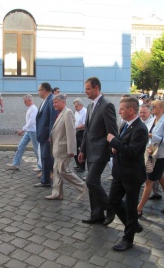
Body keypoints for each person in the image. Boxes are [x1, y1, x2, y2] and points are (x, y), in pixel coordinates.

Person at [106, 97, 148, 251]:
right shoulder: (125, 124)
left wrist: (113, 142)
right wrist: (115, 147)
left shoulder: (140, 129)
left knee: (131, 208)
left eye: (122, 109)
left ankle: (128, 239)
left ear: (131, 110)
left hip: (132, 174)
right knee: (113, 200)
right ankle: (133, 224)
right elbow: (123, 144)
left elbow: (131, 151)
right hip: (120, 171)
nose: (119, 111)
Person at [78, 77, 118, 225]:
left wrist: (113, 150)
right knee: (93, 183)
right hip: (90, 150)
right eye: (85, 88)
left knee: (91, 181)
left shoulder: (107, 105)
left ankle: (111, 208)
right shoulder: (89, 106)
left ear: (96, 88)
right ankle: (96, 214)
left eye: (88, 88)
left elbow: (112, 130)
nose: (86, 91)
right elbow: (87, 131)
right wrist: (82, 149)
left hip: (101, 151)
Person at [137, 100, 164, 216]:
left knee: (149, 180)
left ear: (162, 109)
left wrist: (152, 136)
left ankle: (139, 208)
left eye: (155, 106)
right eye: (152, 106)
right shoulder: (152, 120)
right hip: (152, 153)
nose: (152, 107)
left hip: (161, 156)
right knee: (162, 179)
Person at [45, 94, 86, 200]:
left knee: (63, 170)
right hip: (57, 149)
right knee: (56, 171)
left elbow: (71, 132)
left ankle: (82, 186)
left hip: (64, 150)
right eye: (53, 102)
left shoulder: (68, 112)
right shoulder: (60, 113)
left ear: (63, 102)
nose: (54, 104)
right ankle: (57, 193)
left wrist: (71, 150)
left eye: (56, 102)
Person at [6, 94, 40, 171]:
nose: (24, 103)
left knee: (37, 148)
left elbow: (31, 121)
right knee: (20, 146)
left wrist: (23, 129)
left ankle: (40, 165)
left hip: (33, 131)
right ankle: (16, 164)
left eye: (25, 101)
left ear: (29, 100)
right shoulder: (30, 108)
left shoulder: (34, 109)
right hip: (29, 131)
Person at [34, 83, 58, 187]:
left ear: (43, 90)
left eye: (39, 90)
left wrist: (50, 135)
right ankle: (49, 177)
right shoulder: (45, 100)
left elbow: (53, 120)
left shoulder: (51, 100)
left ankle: (46, 180)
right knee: (46, 157)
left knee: (45, 157)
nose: (38, 92)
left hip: (47, 136)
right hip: (43, 135)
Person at [73, 98, 87, 172]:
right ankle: (78, 164)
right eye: (75, 106)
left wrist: (75, 127)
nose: (75, 108)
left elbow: (85, 124)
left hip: (82, 132)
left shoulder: (85, 112)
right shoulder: (76, 112)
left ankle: (82, 167)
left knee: (82, 149)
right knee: (74, 148)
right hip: (77, 132)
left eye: (76, 106)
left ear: (81, 105)